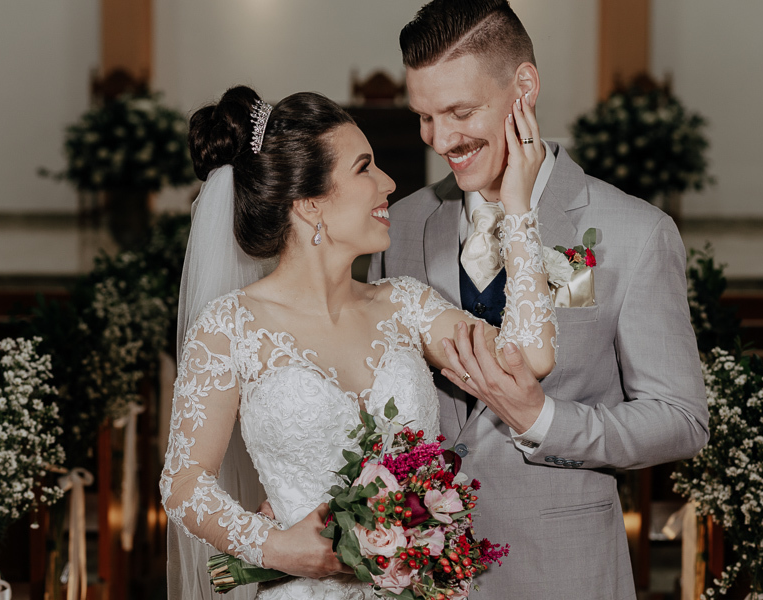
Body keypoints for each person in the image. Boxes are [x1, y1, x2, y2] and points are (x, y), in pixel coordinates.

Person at [160, 84, 556, 599]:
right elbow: (184, 483)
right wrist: (275, 547)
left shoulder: (407, 305)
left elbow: (529, 358)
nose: (388, 182)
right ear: (308, 204)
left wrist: (519, 211)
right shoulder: (229, 328)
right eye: (364, 168)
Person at [368, 1, 710, 598]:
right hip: (418, 576)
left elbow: (681, 421)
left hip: (563, 570)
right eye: (424, 115)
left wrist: (542, 420)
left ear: (523, 86)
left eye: (460, 111)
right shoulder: (399, 226)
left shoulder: (635, 232)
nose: (440, 138)